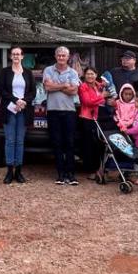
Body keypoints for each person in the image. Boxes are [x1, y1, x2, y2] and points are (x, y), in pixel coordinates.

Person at [43, 46, 81, 185]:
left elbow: (74, 91)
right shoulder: (48, 70)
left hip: (69, 111)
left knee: (69, 143)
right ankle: (60, 174)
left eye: (63, 55)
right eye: (59, 55)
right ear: (55, 56)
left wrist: (56, 86)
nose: (61, 57)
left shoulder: (73, 72)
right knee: (57, 143)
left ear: (68, 57)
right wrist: (64, 85)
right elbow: (47, 87)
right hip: (53, 110)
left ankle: (71, 175)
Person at [0, 47, 36, 184]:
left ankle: (18, 171)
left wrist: (24, 101)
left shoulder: (28, 73)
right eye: (13, 54)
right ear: (10, 56)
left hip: (23, 110)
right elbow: (1, 90)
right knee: (10, 140)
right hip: (9, 109)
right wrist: (15, 100)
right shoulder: (5, 72)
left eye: (18, 54)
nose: (16, 56)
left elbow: (33, 92)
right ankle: (9, 171)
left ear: (22, 56)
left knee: (20, 141)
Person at [77, 67, 108, 178]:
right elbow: (87, 102)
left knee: (99, 144)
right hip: (87, 118)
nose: (90, 76)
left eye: (92, 74)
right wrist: (102, 97)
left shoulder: (99, 86)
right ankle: (90, 170)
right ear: (84, 75)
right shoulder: (83, 87)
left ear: (96, 75)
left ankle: (99, 168)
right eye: (88, 74)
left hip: (98, 117)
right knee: (89, 145)